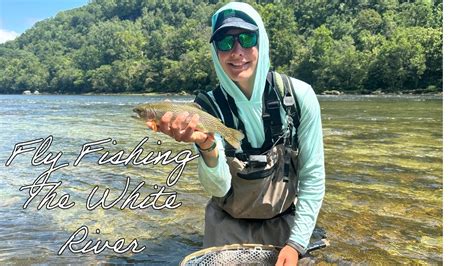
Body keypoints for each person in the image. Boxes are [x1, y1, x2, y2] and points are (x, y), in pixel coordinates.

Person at [146, 2, 325, 265]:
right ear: (215, 50)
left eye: (246, 38)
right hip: (226, 225)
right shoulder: (206, 108)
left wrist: (296, 243)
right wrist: (208, 147)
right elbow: (218, 187)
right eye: (225, 42)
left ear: (261, 40)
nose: (237, 51)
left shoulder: (299, 97)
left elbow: (313, 177)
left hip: (285, 223)